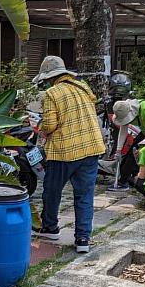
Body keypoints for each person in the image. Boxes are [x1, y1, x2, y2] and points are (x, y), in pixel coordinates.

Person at [32, 56, 105, 254]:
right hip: (91, 148)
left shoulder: (51, 93)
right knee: (84, 195)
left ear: (49, 77)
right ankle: (83, 238)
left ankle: (50, 227)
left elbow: (49, 125)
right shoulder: (83, 87)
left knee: (52, 190)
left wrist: (37, 126)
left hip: (64, 151)